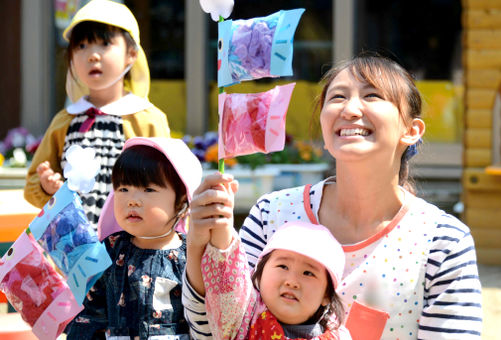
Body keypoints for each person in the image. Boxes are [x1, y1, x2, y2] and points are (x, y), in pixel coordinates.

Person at [182, 54, 483, 339]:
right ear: (325, 129)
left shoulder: (443, 241)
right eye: (337, 97)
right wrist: (198, 245)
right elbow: (218, 329)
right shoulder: (271, 214)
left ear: (411, 130)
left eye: (372, 96)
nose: (350, 110)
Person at [24, 0, 170, 227]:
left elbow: (171, 186)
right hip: (74, 250)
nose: (92, 55)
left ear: (131, 53)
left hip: (131, 247)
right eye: (81, 46)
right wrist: (47, 186)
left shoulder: (147, 119)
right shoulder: (65, 120)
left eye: (104, 43)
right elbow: (33, 182)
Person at [65, 137, 202, 339]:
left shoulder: (191, 255)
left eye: (148, 189)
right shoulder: (110, 249)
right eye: (123, 189)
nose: (132, 201)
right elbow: (90, 312)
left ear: (181, 201)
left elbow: (201, 320)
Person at [190, 207, 352, 339]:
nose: (292, 281)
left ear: (327, 295)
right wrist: (221, 221)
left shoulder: (337, 336)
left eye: (308, 273)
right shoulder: (241, 319)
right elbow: (225, 271)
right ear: (259, 275)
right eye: (283, 266)